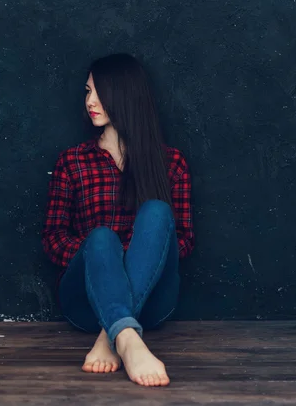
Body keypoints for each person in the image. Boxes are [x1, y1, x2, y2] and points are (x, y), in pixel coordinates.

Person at [42, 53, 194, 387]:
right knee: (100, 238)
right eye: (87, 92)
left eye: (99, 93)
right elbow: (53, 239)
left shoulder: (171, 163)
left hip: (152, 304)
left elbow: (181, 240)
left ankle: (112, 333)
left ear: (124, 96)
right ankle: (127, 337)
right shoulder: (72, 161)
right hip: (85, 303)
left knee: (157, 211)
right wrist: (106, 259)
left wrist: (129, 264)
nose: (90, 102)